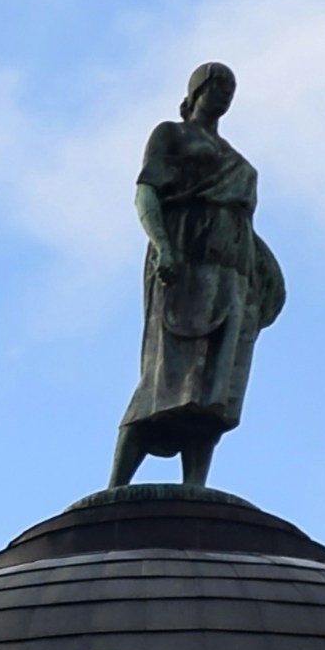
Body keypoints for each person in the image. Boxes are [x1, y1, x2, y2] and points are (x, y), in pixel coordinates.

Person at [108, 62, 285, 490]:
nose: (224, 93)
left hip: (234, 276)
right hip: (184, 265)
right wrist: (163, 247)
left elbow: (246, 227)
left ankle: (195, 487)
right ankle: (116, 486)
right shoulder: (172, 134)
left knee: (213, 390)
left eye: (230, 87)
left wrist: (265, 278)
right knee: (164, 377)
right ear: (196, 91)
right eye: (217, 85)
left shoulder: (236, 159)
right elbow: (145, 192)